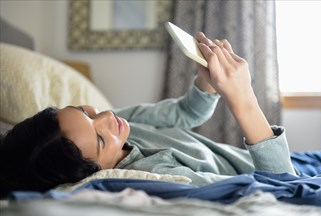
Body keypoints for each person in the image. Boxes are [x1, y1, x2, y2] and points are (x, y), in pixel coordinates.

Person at [0, 32, 297, 197]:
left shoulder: (119, 124)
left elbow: (185, 112)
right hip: (271, 168)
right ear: (95, 171)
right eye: (101, 140)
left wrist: (207, 84)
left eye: (85, 112)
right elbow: (282, 188)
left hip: (268, 158)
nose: (105, 118)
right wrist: (243, 99)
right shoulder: (160, 178)